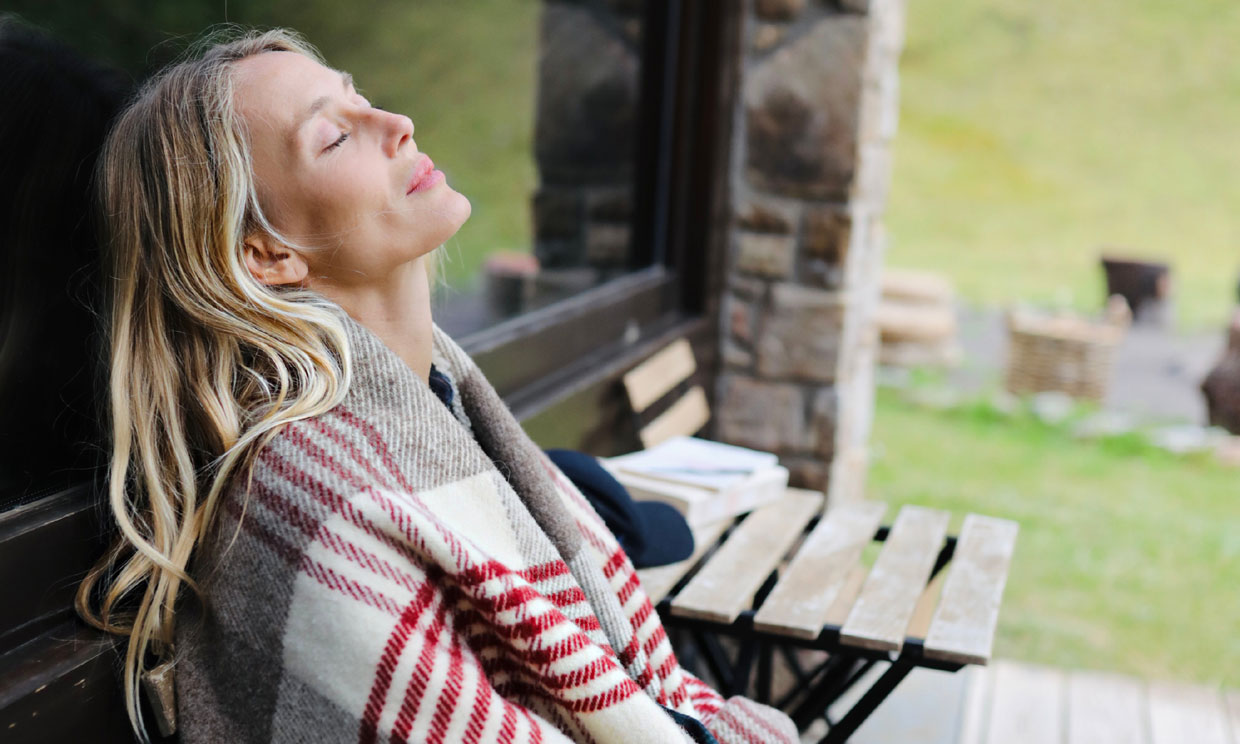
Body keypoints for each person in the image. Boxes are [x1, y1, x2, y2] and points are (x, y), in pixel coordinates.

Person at [75, 28, 798, 744]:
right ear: (266, 253)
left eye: (360, 99)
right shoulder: (314, 499)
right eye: (334, 137)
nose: (397, 124)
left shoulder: (439, 406)